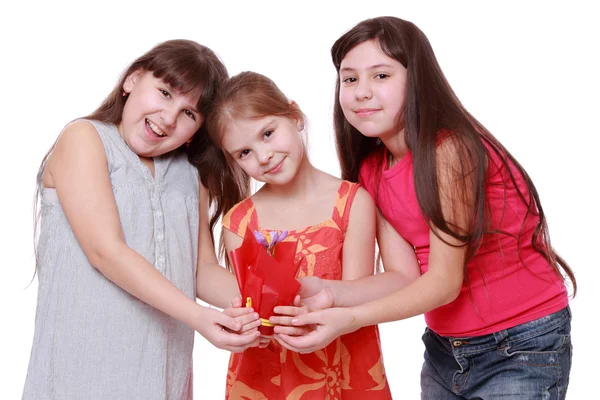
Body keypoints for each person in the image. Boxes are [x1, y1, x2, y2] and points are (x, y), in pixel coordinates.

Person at [274, 16, 576, 400]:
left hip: (520, 344)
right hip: (446, 349)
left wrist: (347, 319)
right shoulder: (370, 169)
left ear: (416, 80)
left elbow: (444, 283)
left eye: (380, 76)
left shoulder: (450, 150)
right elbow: (403, 275)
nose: (361, 92)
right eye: (349, 79)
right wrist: (327, 293)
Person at [24, 39, 260, 400]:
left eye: (189, 113)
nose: (169, 118)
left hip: (160, 377)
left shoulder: (188, 174)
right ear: (132, 80)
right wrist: (200, 318)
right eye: (165, 93)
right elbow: (107, 251)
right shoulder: (84, 138)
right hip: (80, 375)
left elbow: (200, 272)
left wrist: (271, 303)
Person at [202, 71, 394, 399]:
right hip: (265, 379)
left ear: (294, 116)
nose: (263, 156)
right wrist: (247, 325)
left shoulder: (350, 202)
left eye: (267, 133)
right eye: (243, 153)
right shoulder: (240, 222)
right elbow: (250, 304)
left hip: (341, 371)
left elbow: (358, 292)